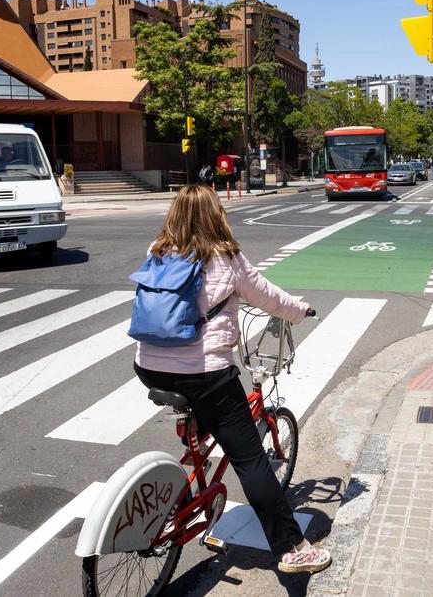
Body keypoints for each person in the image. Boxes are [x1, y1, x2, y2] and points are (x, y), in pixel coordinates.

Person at [132, 185, 332, 574]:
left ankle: (196, 473)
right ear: (216, 214)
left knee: (208, 416)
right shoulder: (226, 257)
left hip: (148, 367)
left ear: (173, 215)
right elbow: (268, 297)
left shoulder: (157, 251)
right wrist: (301, 310)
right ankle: (292, 547)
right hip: (203, 375)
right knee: (250, 460)